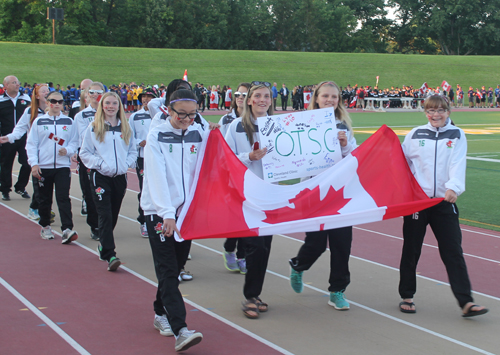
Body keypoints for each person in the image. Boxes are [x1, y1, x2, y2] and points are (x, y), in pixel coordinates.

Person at [398, 95, 488, 318]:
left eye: (440, 110)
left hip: (444, 202)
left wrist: (453, 188)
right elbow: (401, 161)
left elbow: (458, 163)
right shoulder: (415, 134)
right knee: (411, 249)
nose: (435, 114)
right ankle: (407, 295)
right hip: (418, 203)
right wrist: (408, 189)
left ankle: (466, 302)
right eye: (430, 110)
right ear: (425, 112)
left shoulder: (457, 134)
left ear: (448, 112)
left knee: (453, 252)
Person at [141, 89, 205, 351]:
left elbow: (216, 161)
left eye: (192, 114)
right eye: (182, 113)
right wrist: (166, 213)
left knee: (175, 268)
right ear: (168, 109)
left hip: (186, 214)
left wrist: (248, 158)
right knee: (167, 269)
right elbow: (155, 177)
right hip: (159, 213)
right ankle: (180, 329)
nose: (187, 119)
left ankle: (159, 311)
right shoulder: (156, 135)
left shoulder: (198, 134)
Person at [288, 81, 357, 310]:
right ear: (316, 98)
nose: (330, 100)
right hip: (314, 191)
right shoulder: (302, 123)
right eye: (325, 96)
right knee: (316, 243)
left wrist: (345, 145)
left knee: (341, 244)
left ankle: (337, 290)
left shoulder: (344, 125)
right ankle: (298, 266)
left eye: (334, 97)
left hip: (338, 193)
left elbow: (353, 157)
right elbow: (293, 155)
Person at [225, 81, 274, 319]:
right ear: (249, 100)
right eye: (258, 96)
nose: (262, 100)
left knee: (265, 248)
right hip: (245, 194)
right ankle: (250, 296)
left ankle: (256, 293)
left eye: (267, 96)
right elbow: (224, 158)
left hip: (271, 194)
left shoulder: (277, 125)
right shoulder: (235, 126)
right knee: (255, 246)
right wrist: (249, 156)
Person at [79, 92, 137, 271]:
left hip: (119, 177)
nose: (111, 106)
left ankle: (104, 244)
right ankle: (110, 254)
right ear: (101, 106)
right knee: (104, 214)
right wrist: (100, 165)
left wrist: (126, 164)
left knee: (113, 213)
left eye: (114, 103)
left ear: (119, 106)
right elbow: (85, 153)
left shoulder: (125, 128)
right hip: (100, 177)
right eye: (107, 103)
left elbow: (132, 151)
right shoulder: (93, 127)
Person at [26, 91, 79, 243]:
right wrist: (34, 164)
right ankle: (45, 226)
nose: (57, 104)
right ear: (48, 103)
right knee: (44, 199)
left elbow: (75, 141)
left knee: (63, 197)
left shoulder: (69, 122)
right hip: (43, 166)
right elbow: (31, 144)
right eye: (53, 101)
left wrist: (68, 151)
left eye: (60, 102)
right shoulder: (39, 122)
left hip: (62, 166)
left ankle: (67, 229)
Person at [0, 84, 49, 220]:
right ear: (37, 95)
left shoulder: (56, 112)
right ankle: (37, 209)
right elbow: (20, 129)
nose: (47, 93)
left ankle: (38, 206)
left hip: (52, 154)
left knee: (49, 186)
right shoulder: (30, 111)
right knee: (39, 182)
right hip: (35, 152)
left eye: (48, 91)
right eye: (43, 91)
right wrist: (8, 137)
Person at [217, 82, 251, 273]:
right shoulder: (227, 120)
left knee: (248, 218)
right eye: (237, 94)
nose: (240, 97)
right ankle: (230, 248)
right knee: (237, 217)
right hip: (232, 175)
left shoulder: (259, 119)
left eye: (244, 94)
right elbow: (222, 149)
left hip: (253, 176)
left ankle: (242, 256)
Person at [75, 82, 104, 241]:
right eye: (92, 92)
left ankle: (104, 223)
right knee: (90, 193)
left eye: (98, 92)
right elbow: (80, 137)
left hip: (105, 159)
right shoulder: (81, 115)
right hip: (87, 159)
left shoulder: (109, 113)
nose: (95, 95)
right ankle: (95, 225)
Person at [129, 86, 157, 238]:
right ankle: (144, 221)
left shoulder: (160, 115)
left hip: (158, 158)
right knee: (144, 189)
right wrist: (140, 143)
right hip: (142, 158)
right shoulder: (135, 117)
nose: (146, 99)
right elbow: (128, 137)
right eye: (144, 97)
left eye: (150, 97)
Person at [0, 75, 31, 201]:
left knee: (28, 162)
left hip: (24, 137)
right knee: (6, 164)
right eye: (13, 83)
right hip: (6, 137)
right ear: (6, 85)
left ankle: (21, 187)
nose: (17, 84)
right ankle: (5, 189)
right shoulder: (1, 100)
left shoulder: (26, 98)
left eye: (18, 82)